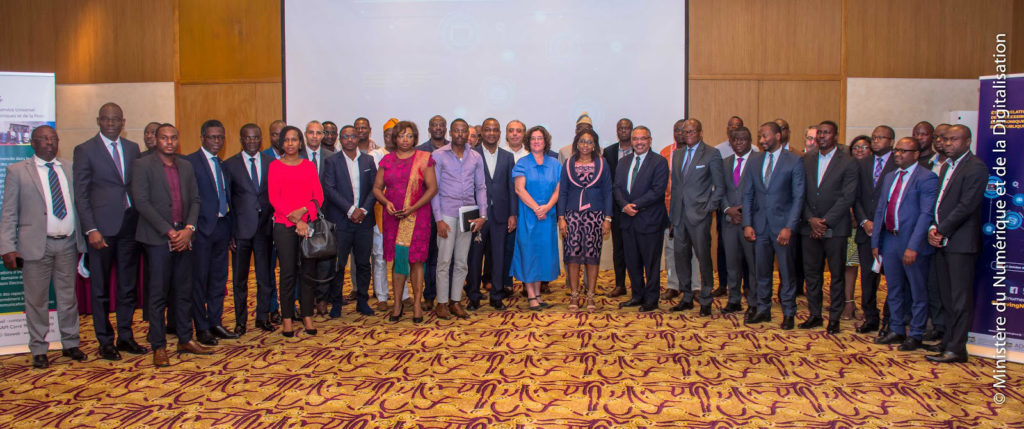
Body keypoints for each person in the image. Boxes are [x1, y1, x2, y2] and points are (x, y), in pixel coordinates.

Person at [1, 126, 86, 368]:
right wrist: (7, 246)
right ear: (32, 143)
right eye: (44, 139)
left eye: (53, 139)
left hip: (68, 243)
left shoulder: (69, 168)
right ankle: (39, 348)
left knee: (68, 297)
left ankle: (71, 343)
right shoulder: (18, 171)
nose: (49, 143)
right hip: (35, 245)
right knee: (36, 300)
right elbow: (8, 213)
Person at [131, 123, 213, 366]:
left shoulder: (185, 166)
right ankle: (159, 346)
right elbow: (142, 202)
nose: (169, 142)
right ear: (156, 140)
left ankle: (185, 339)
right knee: (158, 294)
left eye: (173, 138)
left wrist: (188, 229)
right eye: (164, 138)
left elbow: (195, 200)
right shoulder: (142, 165)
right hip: (157, 239)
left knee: (184, 291)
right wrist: (169, 232)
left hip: (185, 237)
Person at [73, 102, 146, 361]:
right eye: (106, 119)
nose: (111, 124)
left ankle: (125, 336)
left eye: (116, 119)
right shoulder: (85, 150)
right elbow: (81, 195)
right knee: (100, 289)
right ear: (99, 121)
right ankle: (105, 341)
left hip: (130, 226)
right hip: (101, 230)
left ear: (123, 122)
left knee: (127, 286)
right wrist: (90, 229)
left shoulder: (132, 148)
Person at [926, 125, 986, 364]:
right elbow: (938, 203)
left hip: (961, 242)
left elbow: (966, 206)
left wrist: (941, 229)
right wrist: (932, 227)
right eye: (945, 139)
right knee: (946, 296)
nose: (948, 143)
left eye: (954, 139)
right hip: (941, 240)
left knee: (960, 299)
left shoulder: (976, 167)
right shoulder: (946, 167)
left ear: (967, 141)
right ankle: (948, 341)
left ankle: (958, 349)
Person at [872, 137, 938, 351]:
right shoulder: (890, 176)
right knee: (894, 289)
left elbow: (926, 214)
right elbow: (881, 209)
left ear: (916, 154)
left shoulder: (927, 178)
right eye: (897, 150)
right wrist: (876, 242)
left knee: (918, 291)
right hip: (890, 239)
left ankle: (916, 333)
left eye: (904, 151)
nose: (898, 154)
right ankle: (897, 329)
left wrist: (914, 246)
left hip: (911, 242)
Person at [743, 122, 805, 329]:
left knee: (786, 273)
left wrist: (790, 227)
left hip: (783, 227)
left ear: (778, 136)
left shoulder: (794, 161)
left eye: (765, 136)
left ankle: (788, 312)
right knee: (762, 271)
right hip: (759, 227)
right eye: (760, 137)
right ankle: (763, 310)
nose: (761, 141)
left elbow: (798, 198)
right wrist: (747, 223)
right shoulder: (754, 161)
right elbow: (748, 195)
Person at [375, 121, 438, 323]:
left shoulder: (424, 159)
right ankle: (397, 304)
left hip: (417, 216)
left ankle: (417, 304)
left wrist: (413, 207)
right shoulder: (387, 160)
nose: (405, 140)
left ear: (415, 139)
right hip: (393, 217)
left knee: (417, 261)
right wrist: (386, 203)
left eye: (409, 136)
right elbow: (377, 188)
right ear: (395, 138)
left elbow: (432, 188)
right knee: (398, 260)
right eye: (401, 135)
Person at [799, 120, 858, 334]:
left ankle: (834, 318)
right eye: (819, 134)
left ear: (835, 135)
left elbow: (847, 196)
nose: (822, 137)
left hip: (836, 228)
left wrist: (825, 221)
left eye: (826, 133)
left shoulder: (848, 162)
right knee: (812, 274)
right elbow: (800, 194)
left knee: (836, 275)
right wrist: (811, 219)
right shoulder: (806, 159)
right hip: (809, 227)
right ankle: (815, 315)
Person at [185, 120, 238, 344]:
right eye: (212, 137)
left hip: (222, 228)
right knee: (199, 280)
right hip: (201, 231)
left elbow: (229, 199)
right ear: (202, 138)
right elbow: (189, 199)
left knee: (218, 279)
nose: (217, 141)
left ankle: (215, 321)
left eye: (220, 137)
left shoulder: (222, 165)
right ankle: (202, 326)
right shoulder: (190, 163)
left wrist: (232, 232)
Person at [268, 125, 323, 337]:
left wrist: (303, 216)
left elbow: (318, 197)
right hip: (284, 226)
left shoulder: (309, 166)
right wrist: (295, 219)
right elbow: (274, 198)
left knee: (308, 273)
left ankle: (307, 315)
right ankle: (287, 318)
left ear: (301, 143)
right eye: (286, 140)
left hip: (307, 225)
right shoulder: (275, 166)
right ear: (281, 143)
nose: (290, 143)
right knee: (288, 273)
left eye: (294, 139)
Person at [431, 119, 488, 319]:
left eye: (464, 131)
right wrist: (438, 219)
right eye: (457, 131)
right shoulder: (438, 156)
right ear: (451, 132)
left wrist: (482, 215)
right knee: (444, 261)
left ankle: (455, 302)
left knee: (462, 261)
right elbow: (434, 189)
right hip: (447, 212)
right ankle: (442, 303)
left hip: (469, 215)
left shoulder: (475, 157)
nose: (461, 134)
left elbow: (481, 187)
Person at [668, 118, 724, 316]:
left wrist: (709, 208)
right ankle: (686, 296)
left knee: (703, 258)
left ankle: (706, 298)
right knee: (681, 257)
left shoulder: (711, 154)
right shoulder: (677, 154)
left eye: (692, 131)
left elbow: (720, 187)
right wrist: (673, 215)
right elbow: (676, 187)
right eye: (685, 131)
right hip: (679, 216)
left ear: (700, 132)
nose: (688, 134)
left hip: (699, 216)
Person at [224, 123, 276, 335]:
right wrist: (230, 233)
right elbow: (227, 202)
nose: (252, 141)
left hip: (264, 231)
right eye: (248, 138)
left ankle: (262, 318)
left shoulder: (271, 162)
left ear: (261, 139)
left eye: (256, 138)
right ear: (241, 139)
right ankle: (240, 321)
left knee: (265, 277)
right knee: (240, 280)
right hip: (240, 232)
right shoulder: (230, 165)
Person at [323, 125, 377, 317]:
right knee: (338, 264)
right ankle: (336, 302)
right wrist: (350, 209)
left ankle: (363, 300)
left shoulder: (368, 160)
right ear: (340, 139)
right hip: (341, 221)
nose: (349, 140)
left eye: (352, 136)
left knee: (363, 263)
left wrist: (363, 210)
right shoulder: (331, 161)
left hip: (364, 220)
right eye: (345, 137)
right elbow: (329, 189)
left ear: (358, 138)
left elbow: (375, 188)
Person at [614, 126, 669, 312]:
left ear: (650, 140)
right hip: (628, 221)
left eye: (643, 139)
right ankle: (637, 295)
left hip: (650, 220)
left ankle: (651, 299)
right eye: (635, 139)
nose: (638, 142)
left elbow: (657, 190)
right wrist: (624, 205)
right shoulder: (624, 162)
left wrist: (633, 206)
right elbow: (617, 188)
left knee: (651, 263)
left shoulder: (659, 162)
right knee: (632, 261)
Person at [557, 128, 611, 312]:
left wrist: (607, 218)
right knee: (572, 257)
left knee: (591, 257)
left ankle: (590, 297)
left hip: (595, 216)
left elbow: (608, 193)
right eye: (582, 141)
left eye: (589, 142)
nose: (585, 145)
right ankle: (574, 295)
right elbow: (563, 191)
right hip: (572, 216)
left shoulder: (602, 164)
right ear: (576, 144)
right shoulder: (569, 164)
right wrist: (561, 218)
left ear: (594, 144)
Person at [468, 118, 518, 310]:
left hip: (500, 215)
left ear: (500, 134)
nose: (491, 133)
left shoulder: (507, 157)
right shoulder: (472, 154)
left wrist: (513, 214)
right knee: (474, 258)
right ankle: (473, 296)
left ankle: (496, 295)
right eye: (487, 129)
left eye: (495, 130)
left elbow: (511, 187)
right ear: (483, 134)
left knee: (498, 257)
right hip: (477, 215)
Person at [853, 125, 897, 336]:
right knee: (868, 278)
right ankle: (870, 317)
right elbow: (857, 197)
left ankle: (889, 320)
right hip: (866, 230)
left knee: (892, 278)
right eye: (874, 137)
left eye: (881, 138)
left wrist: (879, 224)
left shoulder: (898, 164)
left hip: (889, 232)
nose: (876, 141)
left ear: (891, 141)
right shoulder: (863, 164)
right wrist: (863, 220)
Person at [510, 125, 561, 310]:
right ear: (528, 142)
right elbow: (519, 189)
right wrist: (537, 208)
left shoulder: (555, 163)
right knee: (529, 254)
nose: (536, 141)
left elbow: (558, 189)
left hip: (547, 216)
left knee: (542, 255)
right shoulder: (522, 163)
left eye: (540, 138)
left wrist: (546, 207)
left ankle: (538, 294)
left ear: (545, 141)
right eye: (533, 138)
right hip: (528, 216)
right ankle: (531, 295)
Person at [718, 127, 757, 316]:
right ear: (730, 142)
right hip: (729, 221)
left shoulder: (758, 162)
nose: (739, 142)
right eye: (735, 139)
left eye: (743, 139)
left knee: (753, 263)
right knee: (732, 263)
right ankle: (734, 300)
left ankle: (755, 301)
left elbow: (761, 191)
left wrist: (744, 212)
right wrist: (728, 209)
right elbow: (719, 189)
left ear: (750, 141)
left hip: (751, 223)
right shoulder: (724, 163)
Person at [370, 118, 405, 311]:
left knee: (402, 253)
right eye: (388, 134)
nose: (391, 138)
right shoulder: (375, 155)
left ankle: (404, 294)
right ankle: (382, 296)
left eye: (395, 134)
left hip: (403, 212)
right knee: (380, 255)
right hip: (381, 211)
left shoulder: (407, 155)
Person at [415, 115, 448, 311]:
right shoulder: (420, 151)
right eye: (434, 125)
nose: (437, 128)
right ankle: (429, 295)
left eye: (441, 125)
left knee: (447, 256)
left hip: (449, 210)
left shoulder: (455, 148)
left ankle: (447, 296)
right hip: (426, 212)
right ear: (429, 128)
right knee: (428, 256)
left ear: (446, 128)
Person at [303, 120, 335, 316]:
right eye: (311, 133)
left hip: (325, 214)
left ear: (323, 136)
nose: (314, 136)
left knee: (325, 257)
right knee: (304, 258)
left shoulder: (332, 157)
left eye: (318, 133)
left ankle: (322, 299)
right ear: (305, 135)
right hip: (301, 216)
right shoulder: (295, 157)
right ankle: (306, 299)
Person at [842, 135, 872, 320]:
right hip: (848, 224)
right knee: (850, 264)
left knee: (871, 269)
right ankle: (848, 303)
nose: (859, 150)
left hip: (870, 224)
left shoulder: (876, 170)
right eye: (856, 147)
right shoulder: (846, 167)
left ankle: (869, 306)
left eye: (864, 146)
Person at [603, 118, 633, 298]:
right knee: (619, 248)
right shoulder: (609, 152)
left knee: (637, 249)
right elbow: (607, 181)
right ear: (617, 131)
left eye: (627, 128)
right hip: (616, 207)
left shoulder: (641, 149)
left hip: (638, 208)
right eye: (620, 128)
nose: (623, 131)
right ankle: (620, 284)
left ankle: (638, 285)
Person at [261, 119, 286, 325]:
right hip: (266, 224)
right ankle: (272, 307)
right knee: (268, 269)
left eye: (283, 133)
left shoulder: (298, 158)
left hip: (291, 223)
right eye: (275, 134)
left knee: (290, 267)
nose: (279, 137)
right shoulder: (264, 158)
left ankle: (290, 305)